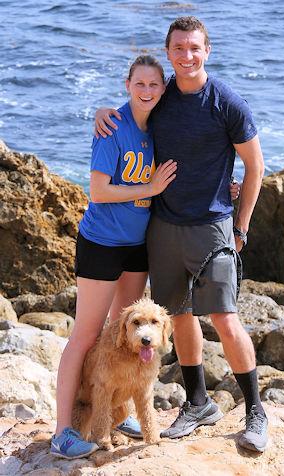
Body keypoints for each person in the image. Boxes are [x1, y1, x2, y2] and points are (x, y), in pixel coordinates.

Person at [95, 16, 268, 453]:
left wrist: (241, 225)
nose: (186, 56)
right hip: (163, 227)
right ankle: (197, 402)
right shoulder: (163, 95)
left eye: (194, 48)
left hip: (212, 227)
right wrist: (102, 113)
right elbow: (133, 107)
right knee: (179, 315)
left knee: (225, 319)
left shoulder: (226, 101)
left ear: (207, 50)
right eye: (178, 48)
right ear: (169, 52)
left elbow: (256, 166)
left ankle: (255, 413)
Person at [50, 55, 178, 460]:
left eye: (154, 85)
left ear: (163, 89)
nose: (146, 91)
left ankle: (116, 413)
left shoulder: (158, 128)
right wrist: (150, 189)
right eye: (139, 84)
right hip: (102, 243)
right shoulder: (112, 127)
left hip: (136, 246)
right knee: (86, 336)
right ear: (127, 85)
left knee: (123, 333)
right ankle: (62, 431)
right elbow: (98, 191)